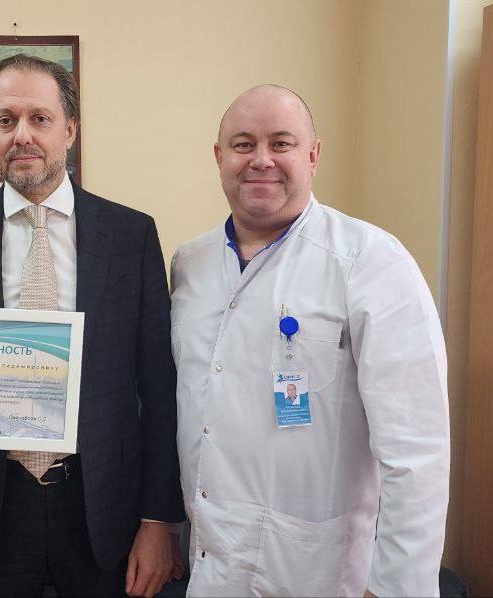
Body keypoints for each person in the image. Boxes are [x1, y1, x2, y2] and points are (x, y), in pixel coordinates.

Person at [0, 54, 185, 597]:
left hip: (103, 508)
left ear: (70, 130)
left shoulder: (131, 236)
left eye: (40, 118)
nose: (22, 135)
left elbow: (159, 389)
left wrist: (159, 520)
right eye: (5, 120)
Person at [169, 85, 449, 596]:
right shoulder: (191, 264)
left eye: (281, 143)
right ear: (219, 157)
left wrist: (395, 589)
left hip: (320, 571)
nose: (261, 160)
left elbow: (417, 454)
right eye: (243, 145)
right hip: (212, 564)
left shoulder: (370, 262)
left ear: (314, 155)